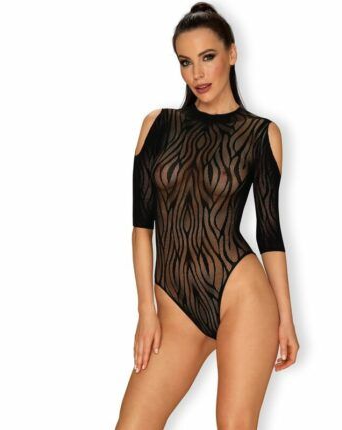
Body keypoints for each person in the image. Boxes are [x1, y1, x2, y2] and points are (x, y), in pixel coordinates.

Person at [116, 2, 299, 429]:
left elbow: (270, 234)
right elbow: (141, 227)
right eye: (185, 62)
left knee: (234, 425)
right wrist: (146, 311)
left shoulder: (261, 134)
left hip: (241, 295)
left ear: (232, 54)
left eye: (208, 57)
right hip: (175, 308)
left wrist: (286, 318)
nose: (197, 73)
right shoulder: (157, 126)